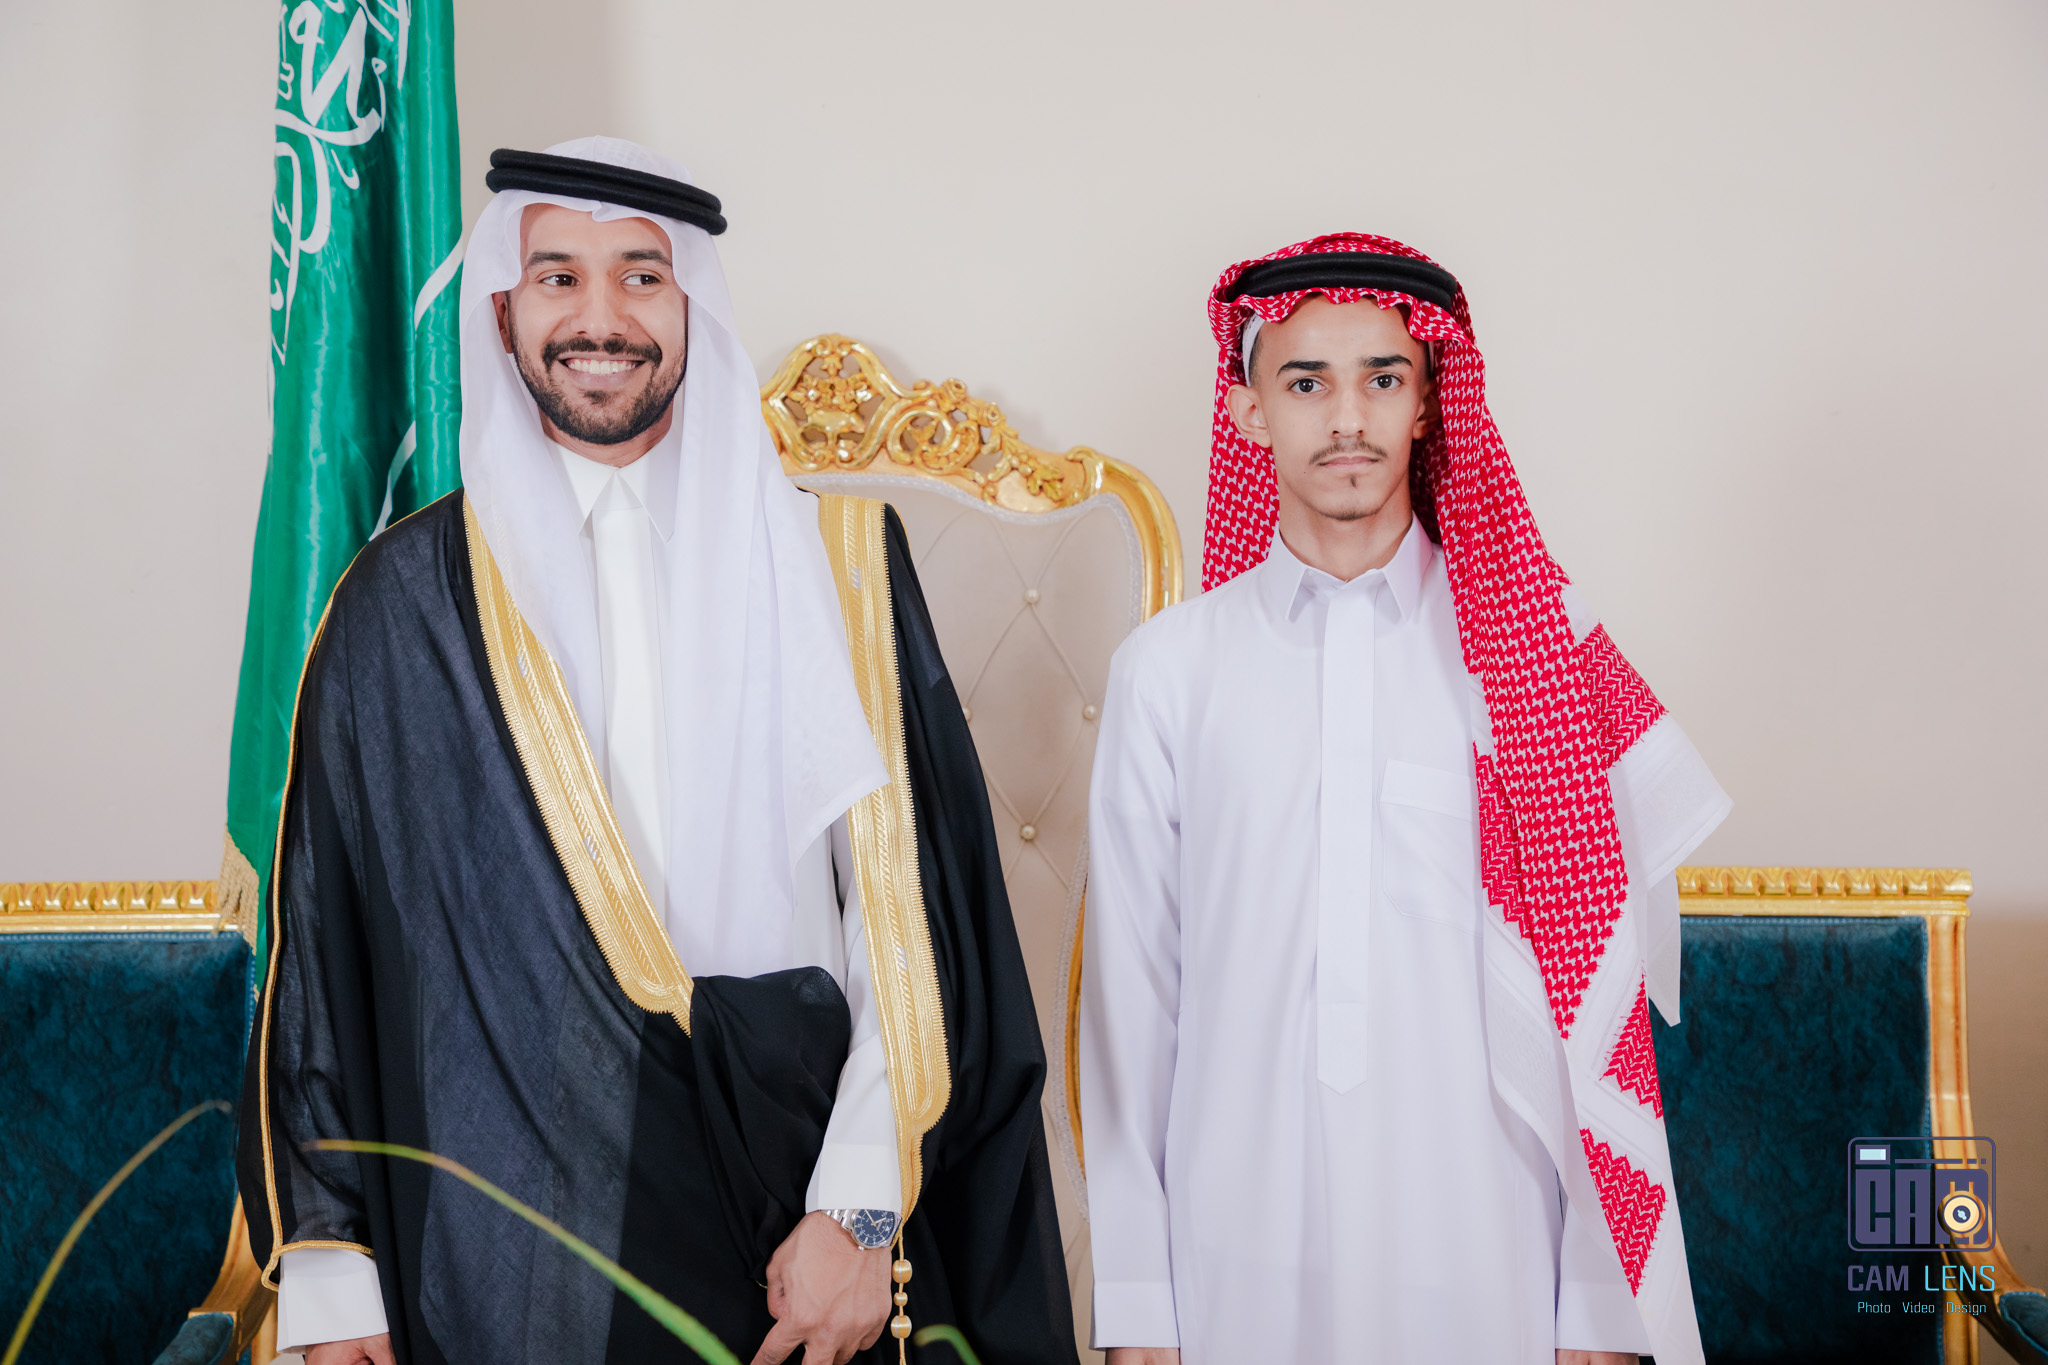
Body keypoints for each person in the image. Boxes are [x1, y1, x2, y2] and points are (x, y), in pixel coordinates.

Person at [237, 137, 1075, 1365]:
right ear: (503, 310)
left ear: (693, 308)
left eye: (641, 276)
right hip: (515, 1252)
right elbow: (327, 953)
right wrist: (333, 1280)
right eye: (557, 277)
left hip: (800, 1241)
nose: (600, 318)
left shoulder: (836, 565)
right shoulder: (400, 607)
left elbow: (915, 927)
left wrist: (857, 1216)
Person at [1080, 235, 1731, 1364]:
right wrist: (1138, 1300)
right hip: (1234, 1248)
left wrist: (1595, 1301)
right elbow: (1132, 1008)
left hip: (1483, 1247)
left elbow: (1596, 996)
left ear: (1429, 402)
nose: (1347, 418)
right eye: (1306, 383)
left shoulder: (1531, 658)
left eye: (1382, 378)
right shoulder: (1166, 672)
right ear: (1246, 411)